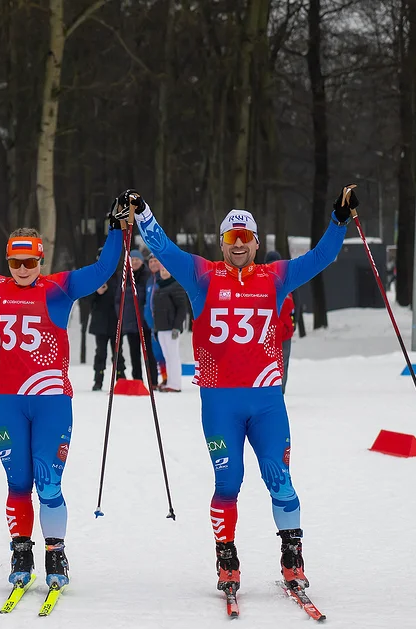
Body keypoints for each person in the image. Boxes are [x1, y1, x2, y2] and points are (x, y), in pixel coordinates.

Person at [124, 186, 356, 603]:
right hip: (220, 403)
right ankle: (226, 559)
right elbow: (164, 248)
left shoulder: (275, 277)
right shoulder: (202, 275)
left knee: (280, 480)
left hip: (266, 402)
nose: (238, 245)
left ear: (256, 242)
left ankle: (292, 557)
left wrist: (338, 221)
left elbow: (320, 258)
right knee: (228, 481)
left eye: (245, 237)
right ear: (222, 242)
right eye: (231, 238)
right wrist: (142, 212)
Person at [0, 196, 122, 591]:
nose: (22, 269)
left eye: (29, 262)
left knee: (49, 484)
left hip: (51, 402)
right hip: (9, 402)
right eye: (16, 263)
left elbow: (104, 269)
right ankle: (21, 551)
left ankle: (55, 552)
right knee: (18, 485)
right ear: (8, 262)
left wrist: (117, 230)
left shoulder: (59, 288)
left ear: (40, 260)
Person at [115, 251, 158, 384]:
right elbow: (118, 299)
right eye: (132, 260)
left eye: (136, 260)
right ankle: (137, 380)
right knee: (134, 354)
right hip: (130, 322)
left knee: (149, 353)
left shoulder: (147, 276)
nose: (134, 262)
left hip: (144, 323)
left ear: (141, 261)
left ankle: (153, 381)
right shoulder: (124, 276)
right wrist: (121, 315)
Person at [151, 263, 189, 392]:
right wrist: (156, 328)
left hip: (171, 328)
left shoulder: (176, 286)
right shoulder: (159, 287)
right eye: (162, 270)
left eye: (166, 270)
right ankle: (170, 382)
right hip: (161, 328)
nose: (164, 272)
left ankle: (175, 384)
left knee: (173, 356)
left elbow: (182, 308)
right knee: (167, 356)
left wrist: (177, 327)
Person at [265, 252, 296, 389]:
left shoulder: (261, 283)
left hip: (273, 332)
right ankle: (278, 389)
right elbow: (294, 307)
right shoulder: (286, 282)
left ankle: (274, 388)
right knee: (281, 362)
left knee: (272, 362)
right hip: (281, 332)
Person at [87, 280, 124, 391]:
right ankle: (98, 379)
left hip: (116, 321)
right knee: (100, 352)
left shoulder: (119, 277)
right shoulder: (97, 278)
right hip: (100, 322)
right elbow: (86, 299)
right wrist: (97, 292)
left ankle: (120, 377)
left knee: (117, 352)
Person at [145, 254, 167, 385]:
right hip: (152, 324)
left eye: (155, 261)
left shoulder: (163, 277)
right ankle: (163, 377)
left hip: (163, 322)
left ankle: (168, 378)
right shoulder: (149, 280)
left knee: (165, 352)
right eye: (151, 261)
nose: (153, 264)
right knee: (157, 353)